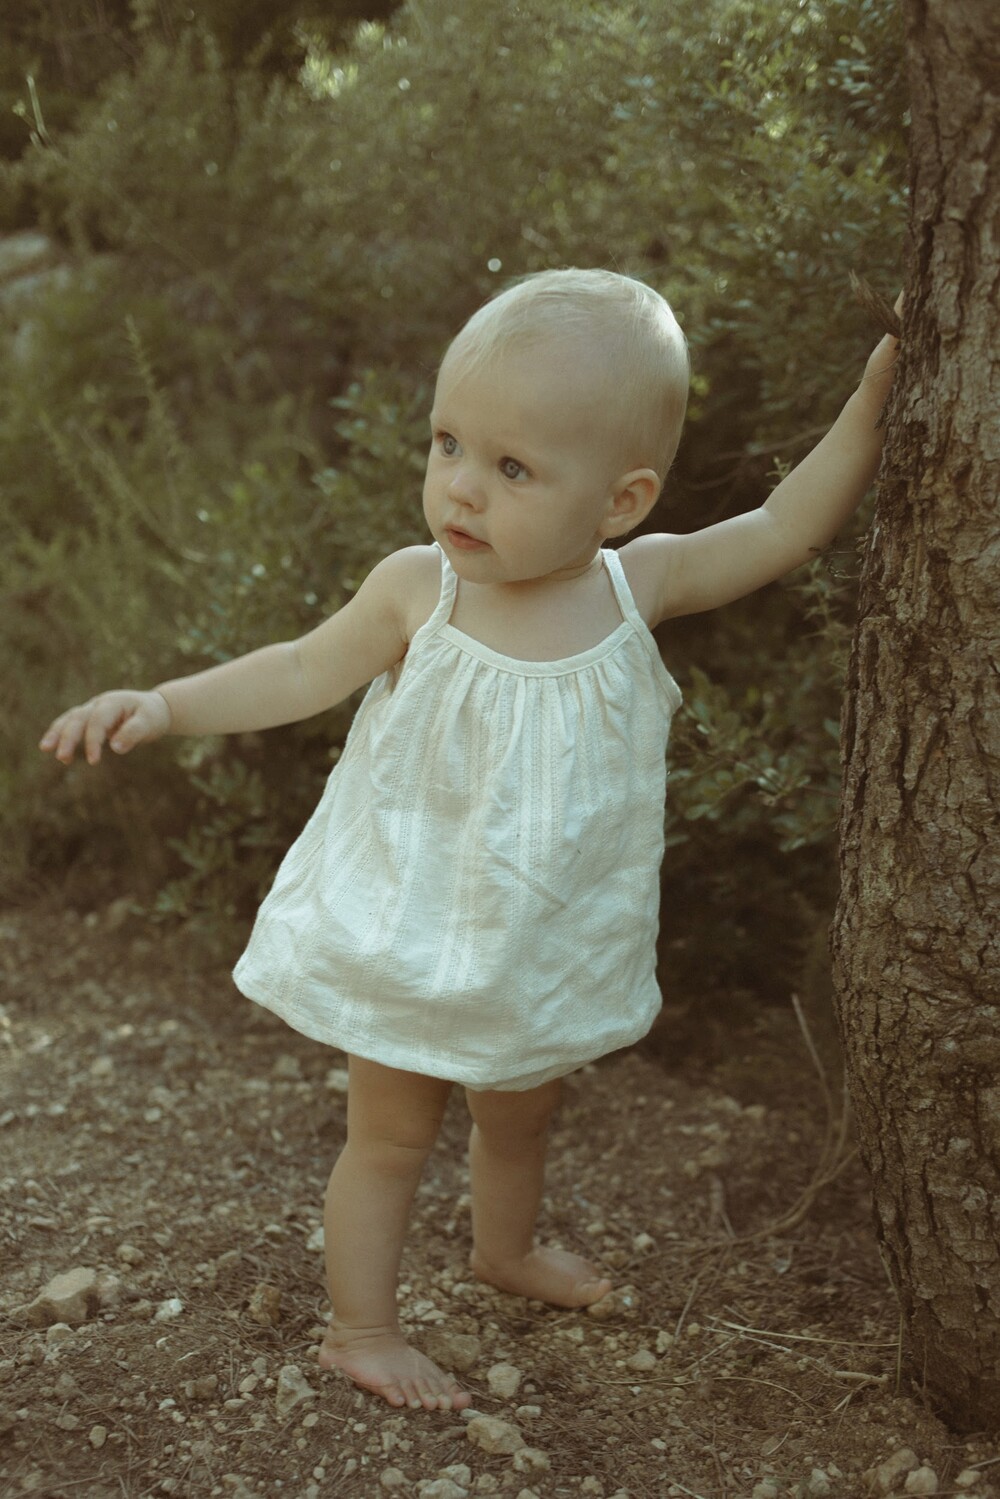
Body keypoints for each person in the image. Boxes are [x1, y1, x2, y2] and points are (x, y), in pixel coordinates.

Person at [40, 268, 900, 1414]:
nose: (461, 487)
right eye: (448, 443)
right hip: (408, 921)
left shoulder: (636, 588)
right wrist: (164, 702)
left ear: (620, 501)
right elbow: (298, 668)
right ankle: (362, 1326)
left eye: (512, 468)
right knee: (391, 1135)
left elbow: (785, 526)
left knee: (521, 1112)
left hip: (538, 937)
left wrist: (877, 395)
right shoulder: (419, 590)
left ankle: (505, 1249)